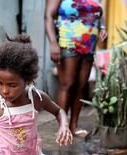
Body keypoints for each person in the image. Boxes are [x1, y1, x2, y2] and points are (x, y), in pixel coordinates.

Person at [45, 0, 107, 138]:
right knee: (68, 85)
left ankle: (73, 126)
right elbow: (48, 16)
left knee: (81, 86)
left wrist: (102, 27)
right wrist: (53, 43)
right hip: (68, 42)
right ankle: (62, 127)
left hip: (89, 45)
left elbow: (98, 13)